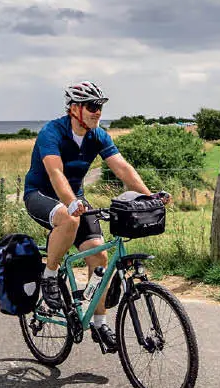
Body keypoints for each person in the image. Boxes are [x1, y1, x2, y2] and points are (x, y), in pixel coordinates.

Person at [22, 81, 170, 353]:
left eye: (100, 106)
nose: (97, 112)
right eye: (92, 106)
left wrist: (149, 198)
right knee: (70, 219)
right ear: (74, 108)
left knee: (99, 257)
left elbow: (122, 169)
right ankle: (50, 275)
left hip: (74, 198)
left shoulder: (98, 136)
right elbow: (55, 174)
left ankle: (100, 323)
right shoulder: (51, 132)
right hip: (41, 195)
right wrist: (71, 202)